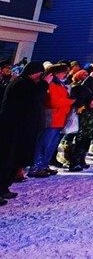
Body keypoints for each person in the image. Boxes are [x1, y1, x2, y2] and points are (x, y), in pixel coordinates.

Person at [0, 62, 46, 205]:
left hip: (22, 129)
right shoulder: (21, 83)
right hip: (13, 128)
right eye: (40, 73)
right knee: (6, 160)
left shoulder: (27, 83)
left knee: (14, 160)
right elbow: (33, 99)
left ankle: (3, 188)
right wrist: (44, 84)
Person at [29, 64, 74, 177]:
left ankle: (44, 165)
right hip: (52, 118)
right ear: (56, 72)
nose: (66, 74)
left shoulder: (59, 84)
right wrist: (70, 101)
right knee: (44, 144)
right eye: (64, 72)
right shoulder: (51, 84)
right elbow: (53, 102)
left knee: (51, 145)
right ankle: (36, 167)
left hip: (59, 118)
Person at [68, 95, 93, 172]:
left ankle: (82, 161)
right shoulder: (84, 110)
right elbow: (81, 122)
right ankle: (74, 164)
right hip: (83, 133)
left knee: (85, 148)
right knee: (79, 148)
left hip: (90, 133)